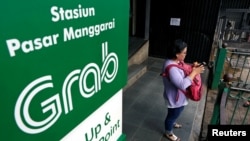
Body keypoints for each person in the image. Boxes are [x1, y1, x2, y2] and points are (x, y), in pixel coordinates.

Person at [162, 39, 205, 141]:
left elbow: (184, 70)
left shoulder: (177, 61)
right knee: (172, 115)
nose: (186, 54)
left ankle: (173, 122)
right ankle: (168, 132)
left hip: (179, 97)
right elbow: (182, 85)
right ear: (177, 54)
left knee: (177, 112)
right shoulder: (171, 67)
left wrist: (193, 67)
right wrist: (194, 72)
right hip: (174, 98)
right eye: (184, 52)